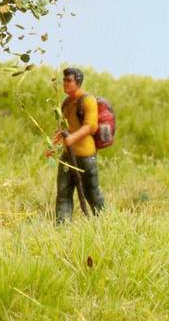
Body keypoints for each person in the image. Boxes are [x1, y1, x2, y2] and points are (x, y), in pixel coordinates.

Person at [51, 65, 105, 222]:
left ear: (78, 82)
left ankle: (105, 220)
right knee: (63, 192)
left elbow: (91, 126)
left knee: (92, 192)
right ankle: (62, 226)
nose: (65, 84)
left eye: (69, 81)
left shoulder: (88, 101)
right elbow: (62, 129)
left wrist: (73, 138)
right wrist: (53, 146)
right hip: (67, 156)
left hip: (85, 156)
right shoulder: (66, 103)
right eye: (64, 80)